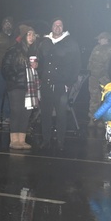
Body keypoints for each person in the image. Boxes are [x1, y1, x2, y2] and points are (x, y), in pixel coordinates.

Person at [39, 18, 81, 152]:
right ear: (51, 27)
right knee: (45, 114)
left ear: (63, 27)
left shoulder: (71, 43)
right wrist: (40, 75)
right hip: (46, 84)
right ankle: (46, 140)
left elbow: (77, 64)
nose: (57, 27)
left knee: (61, 115)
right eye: (55, 25)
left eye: (60, 25)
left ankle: (60, 141)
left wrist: (69, 82)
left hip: (61, 86)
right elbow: (39, 60)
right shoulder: (44, 42)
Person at [1, 25, 39, 150]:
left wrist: (37, 65)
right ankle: (14, 140)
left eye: (33, 35)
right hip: (16, 86)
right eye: (29, 34)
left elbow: (41, 68)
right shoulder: (14, 50)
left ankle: (22, 140)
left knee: (26, 113)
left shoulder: (34, 51)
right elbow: (5, 67)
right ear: (23, 36)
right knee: (16, 112)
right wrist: (13, 79)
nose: (32, 37)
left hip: (30, 86)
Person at [86, 31, 111, 119]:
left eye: (100, 39)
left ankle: (105, 118)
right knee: (94, 97)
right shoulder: (96, 48)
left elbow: (110, 64)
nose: (99, 41)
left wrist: (105, 75)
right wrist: (90, 72)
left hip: (105, 78)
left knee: (107, 98)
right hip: (93, 77)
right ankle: (93, 117)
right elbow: (90, 61)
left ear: (106, 39)